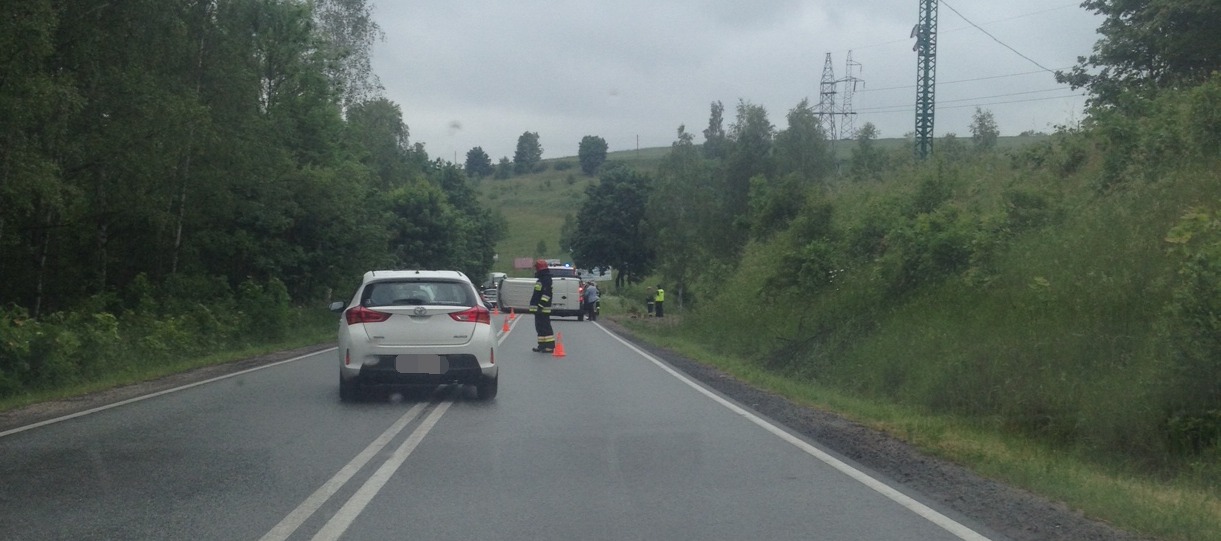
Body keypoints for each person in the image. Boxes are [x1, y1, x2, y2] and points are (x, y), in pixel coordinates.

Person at [528, 259, 555, 352]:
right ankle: (542, 345)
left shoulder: (546, 279)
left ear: (539, 269)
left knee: (545, 328)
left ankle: (550, 346)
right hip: (539, 309)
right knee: (539, 328)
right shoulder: (542, 279)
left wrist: (540, 306)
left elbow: (546, 295)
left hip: (543, 309)